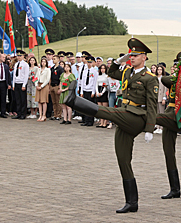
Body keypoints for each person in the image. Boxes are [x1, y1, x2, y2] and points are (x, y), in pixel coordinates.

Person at [64, 38, 158, 213]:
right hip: (124, 116)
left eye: (136, 55)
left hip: (137, 117)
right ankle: (132, 202)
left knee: (109, 112)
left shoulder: (150, 78)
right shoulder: (128, 72)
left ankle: (75, 101)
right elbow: (112, 72)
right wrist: (119, 61)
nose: (132, 58)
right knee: (123, 160)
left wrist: (149, 128)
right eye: (131, 55)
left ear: (144, 57)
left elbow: (152, 105)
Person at [11, 50, 30, 120]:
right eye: (18, 56)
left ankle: (23, 114)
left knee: (23, 100)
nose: (18, 57)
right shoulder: (16, 64)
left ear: (23, 56)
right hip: (16, 83)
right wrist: (13, 84)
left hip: (22, 83)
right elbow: (14, 76)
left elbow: (26, 75)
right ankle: (18, 113)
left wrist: (24, 85)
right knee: (17, 100)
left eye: (20, 56)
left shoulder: (25, 64)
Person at [80, 56, 98, 127]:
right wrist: (81, 92)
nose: (89, 64)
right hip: (85, 90)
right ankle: (86, 120)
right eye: (88, 62)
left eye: (90, 62)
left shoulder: (94, 71)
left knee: (90, 107)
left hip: (90, 90)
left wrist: (93, 92)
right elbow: (82, 82)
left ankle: (90, 121)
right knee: (85, 106)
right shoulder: (84, 71)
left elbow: (95, 82)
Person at [49, 55, 64, 120]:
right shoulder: (52, 68)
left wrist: (59, 88)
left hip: (57, 85)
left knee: (58, 101)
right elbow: (50, 78)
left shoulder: (60, 69)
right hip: (52, 85)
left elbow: (61, 79)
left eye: (54, 59)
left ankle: (59, 115)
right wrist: (49, 87)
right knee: (54, 101)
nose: (53, 60)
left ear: (58, 60)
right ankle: (55, 114)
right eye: (53, 59)